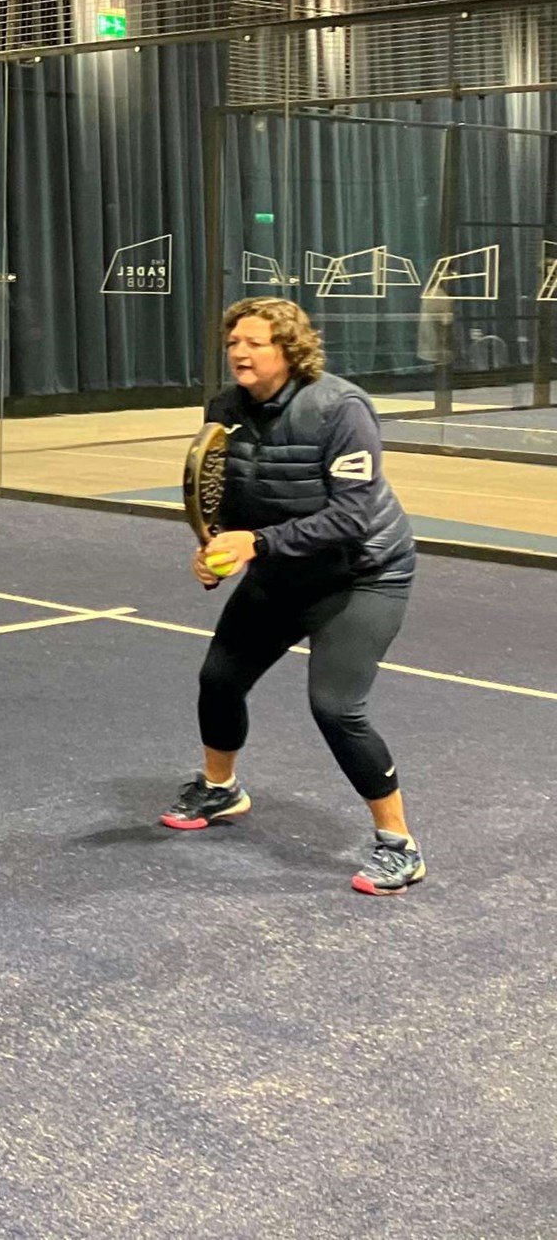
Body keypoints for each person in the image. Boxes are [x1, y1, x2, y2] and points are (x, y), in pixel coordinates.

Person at [165, 297, 426, 896]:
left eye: (253, 343)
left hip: (362, 575)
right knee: (220, 679)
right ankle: (221, 788)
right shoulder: (225, 408)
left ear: (289, 349)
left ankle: (398, 844)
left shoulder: (341, 407)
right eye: (233, 343)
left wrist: (254, 543)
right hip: (283, 569)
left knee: (337, 707)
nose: (238, 353)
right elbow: (222, 488)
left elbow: (354, 516)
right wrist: (217, 548)